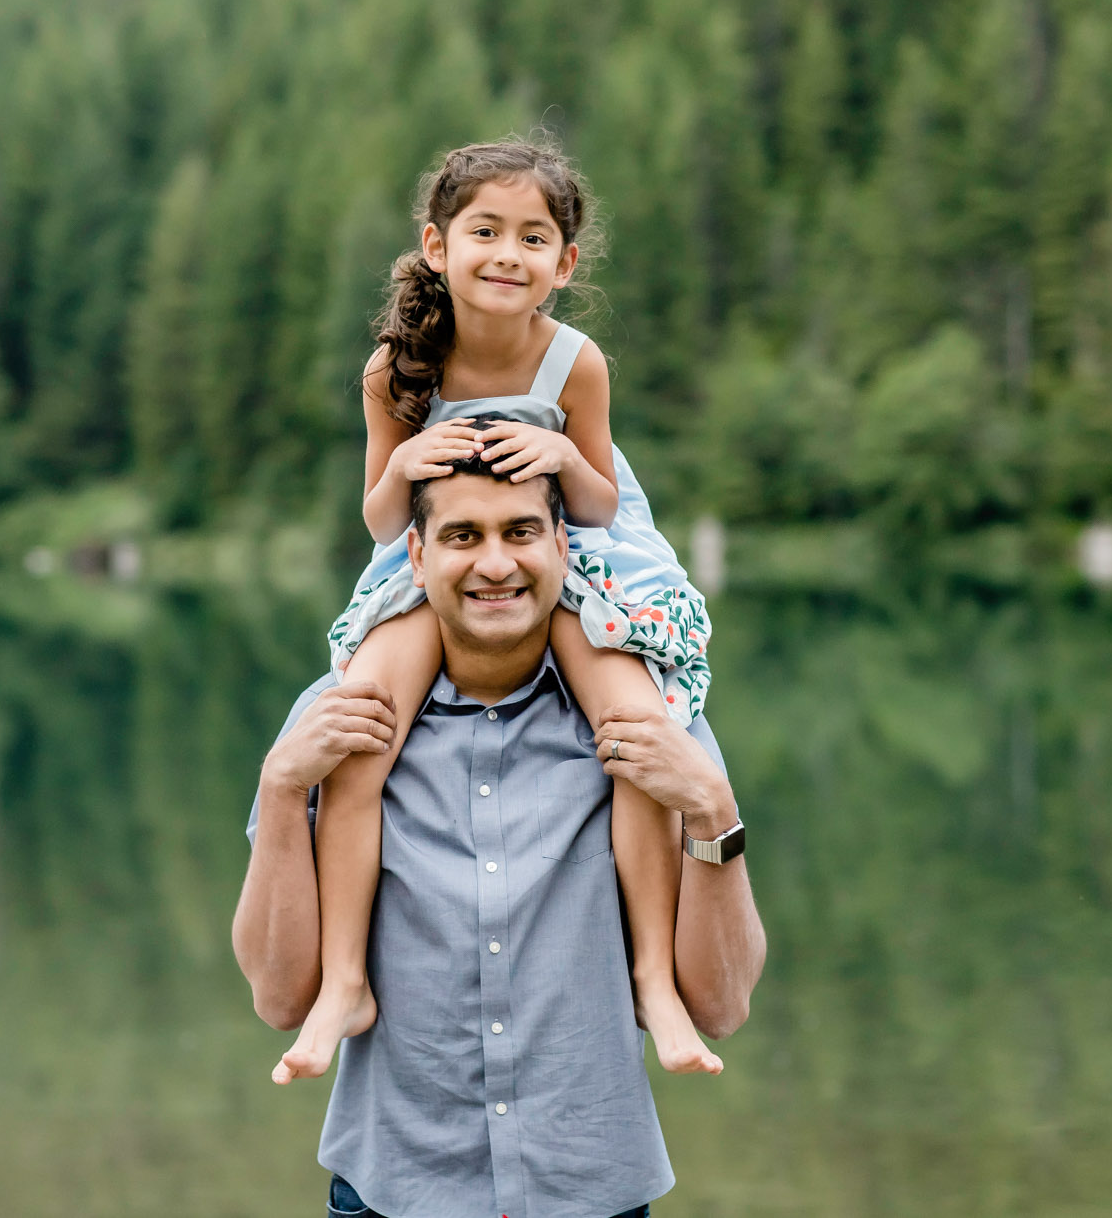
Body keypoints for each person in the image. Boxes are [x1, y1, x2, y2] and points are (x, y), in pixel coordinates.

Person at [274, 136, 724, 1088]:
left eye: (533, 237)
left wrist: (564, 464)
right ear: (438, 245)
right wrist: (403, 463)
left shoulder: (575, 361)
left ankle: (653, 976)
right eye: (485, 231)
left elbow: (603, 505)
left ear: (563, 266)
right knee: (364, 725)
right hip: (433, 549)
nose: (506, 254)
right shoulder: (395, 368)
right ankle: (344, 980)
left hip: (577, 548)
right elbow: (381, 517)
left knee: (634, 729)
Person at [232, 450, 765, 1218]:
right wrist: (282, 790)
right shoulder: (341, 721)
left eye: (520, 531)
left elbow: (721, 1008)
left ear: (560, 545)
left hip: (595, 1193)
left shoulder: (650, 727)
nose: (494, 563)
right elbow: (282, 998)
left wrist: (715, 810)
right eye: (461, 535)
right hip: (390, 1192)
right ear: (417, 555)